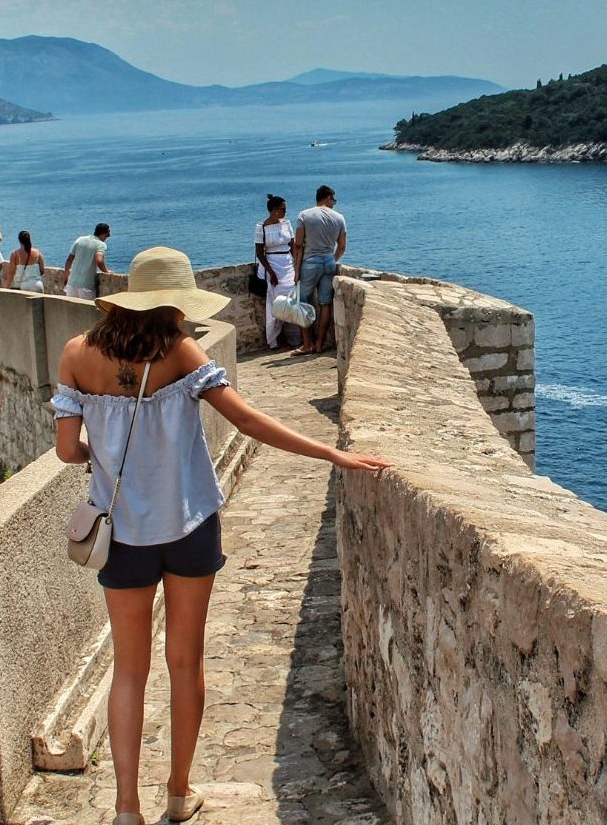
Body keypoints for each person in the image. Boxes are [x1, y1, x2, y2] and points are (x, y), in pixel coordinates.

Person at [51, 247, 388, 825]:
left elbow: (65, 450)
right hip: (188, 526)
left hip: (122, 532)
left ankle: (126, 807)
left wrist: (98, 458)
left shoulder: (78, 355)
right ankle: (178, 793)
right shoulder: (180, 352)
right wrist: (333, 452)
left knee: (130, 669)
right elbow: (248, 420)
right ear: (176, 305)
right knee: (186, 662)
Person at [291, 185, 345, 355]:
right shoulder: (339, 218)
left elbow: (298, 245)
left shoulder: (304, 215)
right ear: (327, 197)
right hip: (329, 261)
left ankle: (308, 344)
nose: (334, 203)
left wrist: (296, 270)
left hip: (309, 263)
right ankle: (320, 343)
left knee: (303, 304)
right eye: (333, 200)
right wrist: (332, 260)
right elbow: (342, 246)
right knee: (325, 303)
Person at [253, 194, 298, 349]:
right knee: (275, 302)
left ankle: (294, 337)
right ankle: (274, 339)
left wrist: (297, 267)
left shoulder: (287, 224)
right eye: (283, 209)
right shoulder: (261, 227)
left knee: (292, 299)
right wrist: (271, 273)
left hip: (288, 265)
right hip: (272, 264)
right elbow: (259, 253)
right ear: (274, 210)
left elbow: (293, 246)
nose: (285, 212)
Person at [65, 223, 111, 300]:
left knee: (71, 310)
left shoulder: (80, 240)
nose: (107, 238)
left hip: (71, 284)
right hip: (86, 286)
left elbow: (69, 259)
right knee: (88, 311)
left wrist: (66, 275)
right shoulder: (101, 244)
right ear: (104, 233)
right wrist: (106, 271)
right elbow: (99, 261)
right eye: (107, 235)